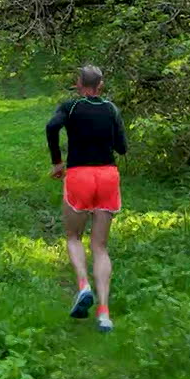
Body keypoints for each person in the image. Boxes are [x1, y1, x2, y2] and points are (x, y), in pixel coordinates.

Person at [46, 64, 128, 333]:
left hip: (80, 175)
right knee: (101, 246)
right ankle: (104, 313)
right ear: (100, 85)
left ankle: (83, 286)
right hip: (107, 176)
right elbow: (122, 148)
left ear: (79, 84)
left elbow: (51, 127)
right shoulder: (111, 109)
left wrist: (58, 162)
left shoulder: (69, 107)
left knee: (73, 236)